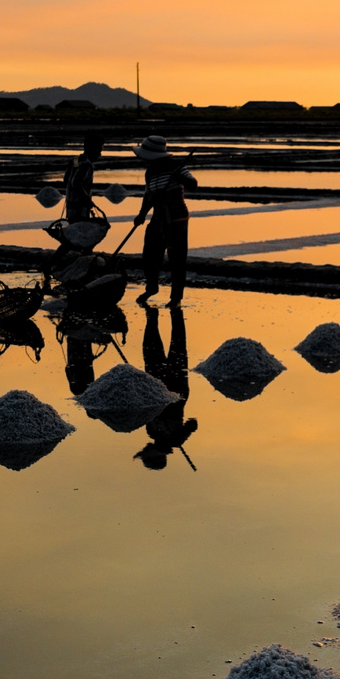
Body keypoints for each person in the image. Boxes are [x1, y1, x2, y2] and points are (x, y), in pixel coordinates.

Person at [131, 135, 196, 306]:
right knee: (150, 255)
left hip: (177, 219)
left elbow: (193, 184)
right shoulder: (150, 172)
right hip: (158, 218)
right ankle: (151, 287)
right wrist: (141, 214)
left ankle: (176, 298)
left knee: (177, 259)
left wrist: (179, 178)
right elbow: (148, 195)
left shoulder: (175, 167)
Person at [134, 305, 197, 470]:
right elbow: (193, 424)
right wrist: (181, 436)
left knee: (151, 348)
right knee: (178, 345)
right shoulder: (175, 438)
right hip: (176, 387)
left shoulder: (151, 432)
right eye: (146, 451)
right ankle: (176, 312)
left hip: (157, 384)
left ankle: (152, 316)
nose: (144, 448)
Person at [63, 133, 103, 223]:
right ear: (91, 149)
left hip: (70, 209)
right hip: (79, 212)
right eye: (98, 150)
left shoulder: (76, 160)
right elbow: (76, 183)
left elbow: (66, 180)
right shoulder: (87, 165)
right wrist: (87, 199)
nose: (100, 154)